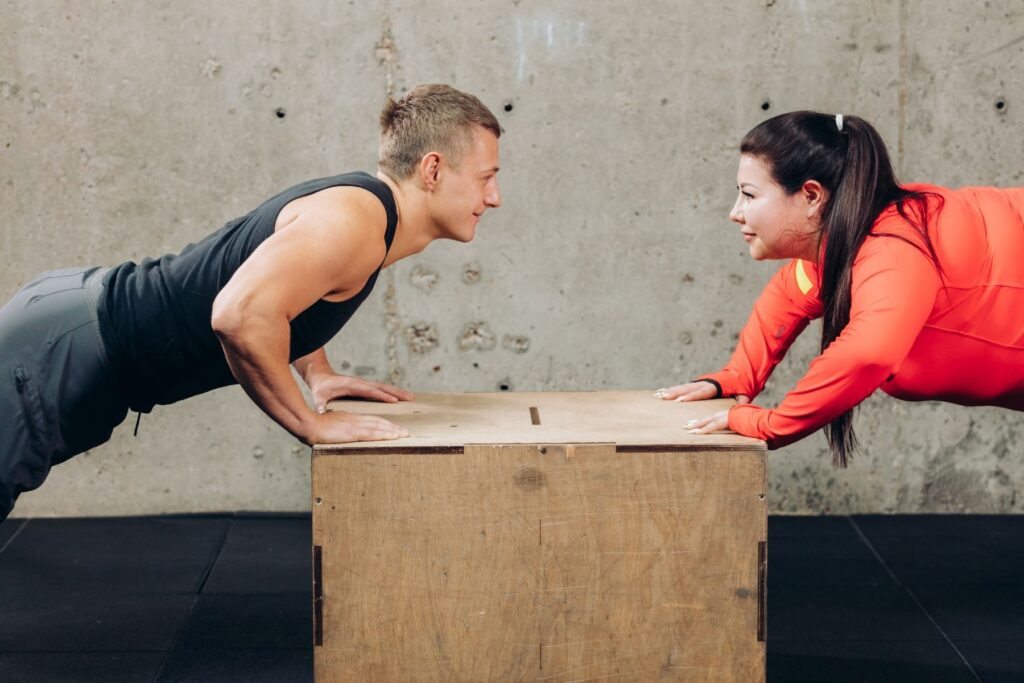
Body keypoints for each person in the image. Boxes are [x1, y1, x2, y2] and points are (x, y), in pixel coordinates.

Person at [0, 83, 502, 520]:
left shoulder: (365, 213)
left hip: (80, 329)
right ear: (433, 169)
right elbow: (239, 315)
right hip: (67, 346)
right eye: (485, 176)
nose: (495, 196)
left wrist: (317, 372)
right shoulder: (354, 225)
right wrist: (310, 425)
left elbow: (289, 295)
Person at [657, 111, 1024, 466]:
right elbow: (787, 296)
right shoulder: (847, 240)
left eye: (749, 195)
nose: (735, 212)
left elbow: (868, 354)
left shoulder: (893, 249)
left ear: (812, 196)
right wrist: (739, 375)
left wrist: (765, 423)